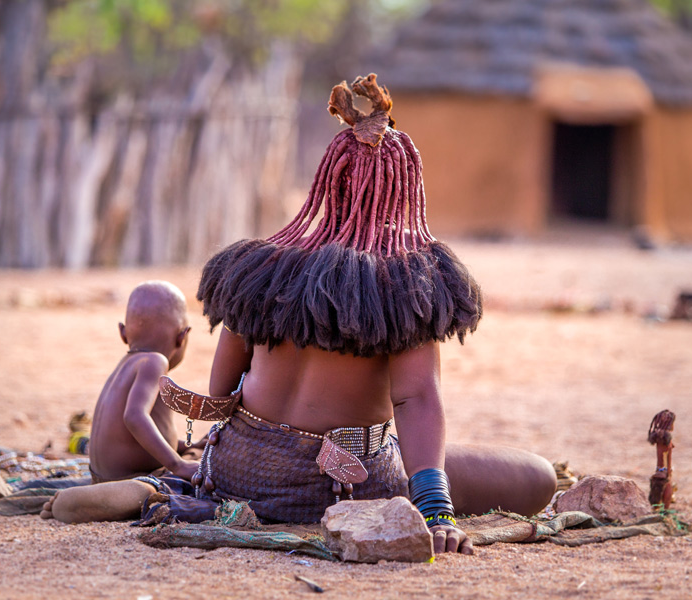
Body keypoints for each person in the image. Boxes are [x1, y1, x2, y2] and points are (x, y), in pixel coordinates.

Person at [41, 76, 556, 555]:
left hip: (237, 468)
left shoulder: (263, 266)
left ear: (328, 180)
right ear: (406, 188)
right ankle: (417, 488)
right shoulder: (404, 283)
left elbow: (222, 393)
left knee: (413, 452)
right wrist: (435, 511)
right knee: (536, 477)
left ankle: (164, 486)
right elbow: (417, 397)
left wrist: (202, 459)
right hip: (338, 480)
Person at [54, 281, 196, 491]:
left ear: (123, 333)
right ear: (182, 337)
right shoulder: (155, 362)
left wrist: (185, 446)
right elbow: (134, 417)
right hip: (129, 481)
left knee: (197, 452)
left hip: (101, 476)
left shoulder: (127, 364)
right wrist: (178, 465)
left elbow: (136, 434)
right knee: (204, 467)